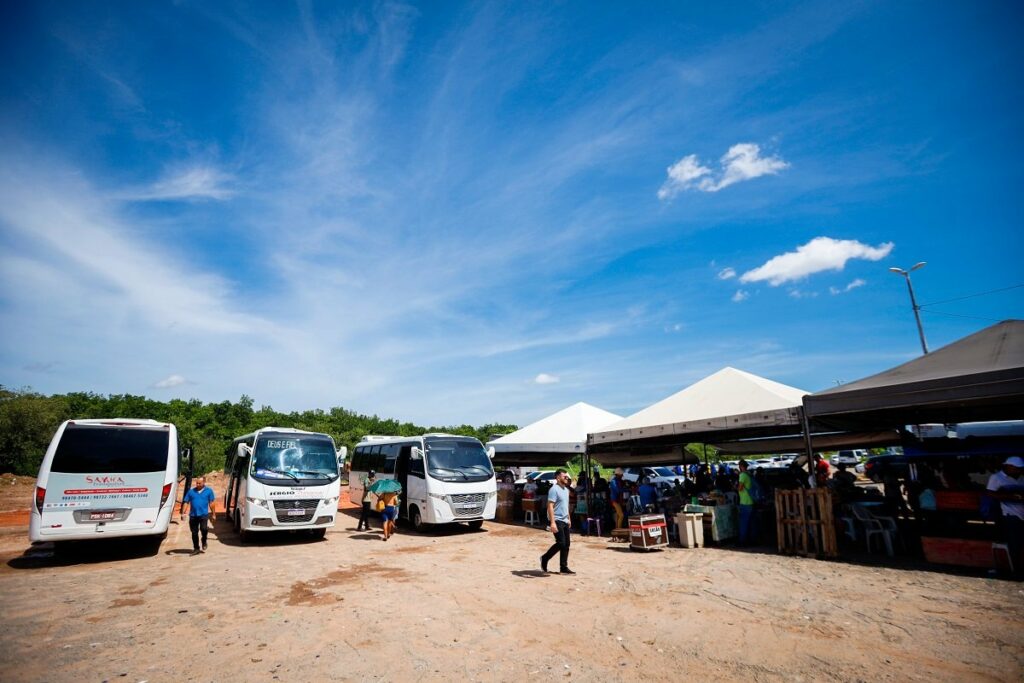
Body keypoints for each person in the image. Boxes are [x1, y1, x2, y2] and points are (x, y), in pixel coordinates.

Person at [986, 456, 1024, 572]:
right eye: (1016, 468)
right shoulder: (996, 477)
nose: (1018, 470)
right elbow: (990, 493)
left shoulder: (1021, 478)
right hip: (1009, 514)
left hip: (1021, 513)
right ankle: (1016, 569)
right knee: (1015, 542)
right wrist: (1010, 497)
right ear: (1008, 466)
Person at [540, 469, 574, 574]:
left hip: (564, 519)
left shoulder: (566, 490)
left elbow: (566, 506)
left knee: (567, 544)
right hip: (557, 519)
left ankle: (563, 567)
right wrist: (552, 522)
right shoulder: (553, 489)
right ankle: (545, 558)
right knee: (561, 543)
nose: (566, 478)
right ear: (558, 478)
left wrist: (569, 518)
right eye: (565, 477)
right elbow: (550, 506)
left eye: (567, 477)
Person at [180, 476, 217, 556]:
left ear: (204, 482)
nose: (197, 484)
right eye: (196, 483)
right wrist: (183, 513)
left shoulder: (209, 491)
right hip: (193, 516)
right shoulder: (191, 492)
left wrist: (213, 514)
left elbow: (212, 503)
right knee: (194, 533)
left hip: (204, 515)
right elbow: (186, 502)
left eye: (199, 483)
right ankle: (196, 548)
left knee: (204, 529)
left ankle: (204, 540)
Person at [737, 460, 756, 546]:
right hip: (751, 501)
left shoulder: (743, 475)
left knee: (743, 523)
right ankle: (752, 541)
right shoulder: (749, 475)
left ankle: (742, 542)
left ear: (741, 466)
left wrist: (735, 487)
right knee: (751, 523)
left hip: (745, 502)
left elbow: (740, 488)